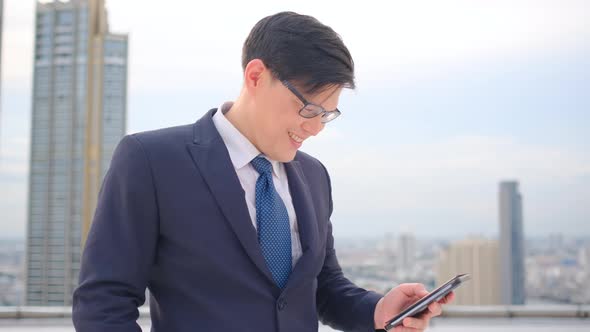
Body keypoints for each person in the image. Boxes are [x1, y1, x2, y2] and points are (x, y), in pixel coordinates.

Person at [72, 11, 454, 332]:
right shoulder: (151, 160)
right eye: (308, 109)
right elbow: (103, 302)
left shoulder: (314, 176)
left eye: (327, 114)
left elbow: (322, 286)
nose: (315, 127)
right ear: (256, 76)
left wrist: (377, 309)